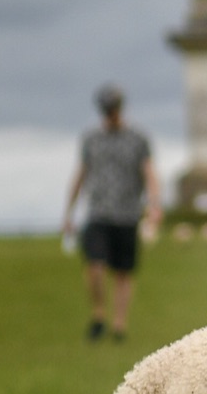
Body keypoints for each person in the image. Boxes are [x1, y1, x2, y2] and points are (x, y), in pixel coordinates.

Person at [62, 84, 163, 341]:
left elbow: (149, 173)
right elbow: (81, 173)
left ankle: (119, 325)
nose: (111, 113)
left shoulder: (138, 138)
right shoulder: (91, 138)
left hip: (128, 213)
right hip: (98, 212)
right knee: (94, 265)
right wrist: (69, 211)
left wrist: (154, 205)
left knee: (123, 272)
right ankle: (98, 314)